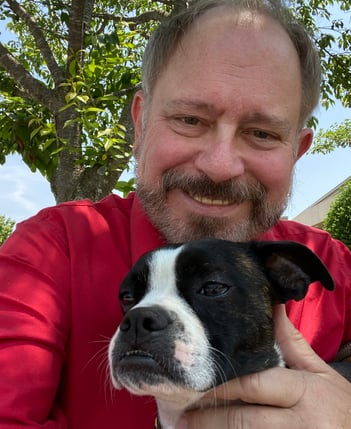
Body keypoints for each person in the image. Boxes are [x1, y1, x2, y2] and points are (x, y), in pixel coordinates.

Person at [1, 0, 351, 428]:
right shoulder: (53, 250)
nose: (220, 165)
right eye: (190, 119)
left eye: (261, 133)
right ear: (140, 123)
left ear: (296, 152)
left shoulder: (333, 267)